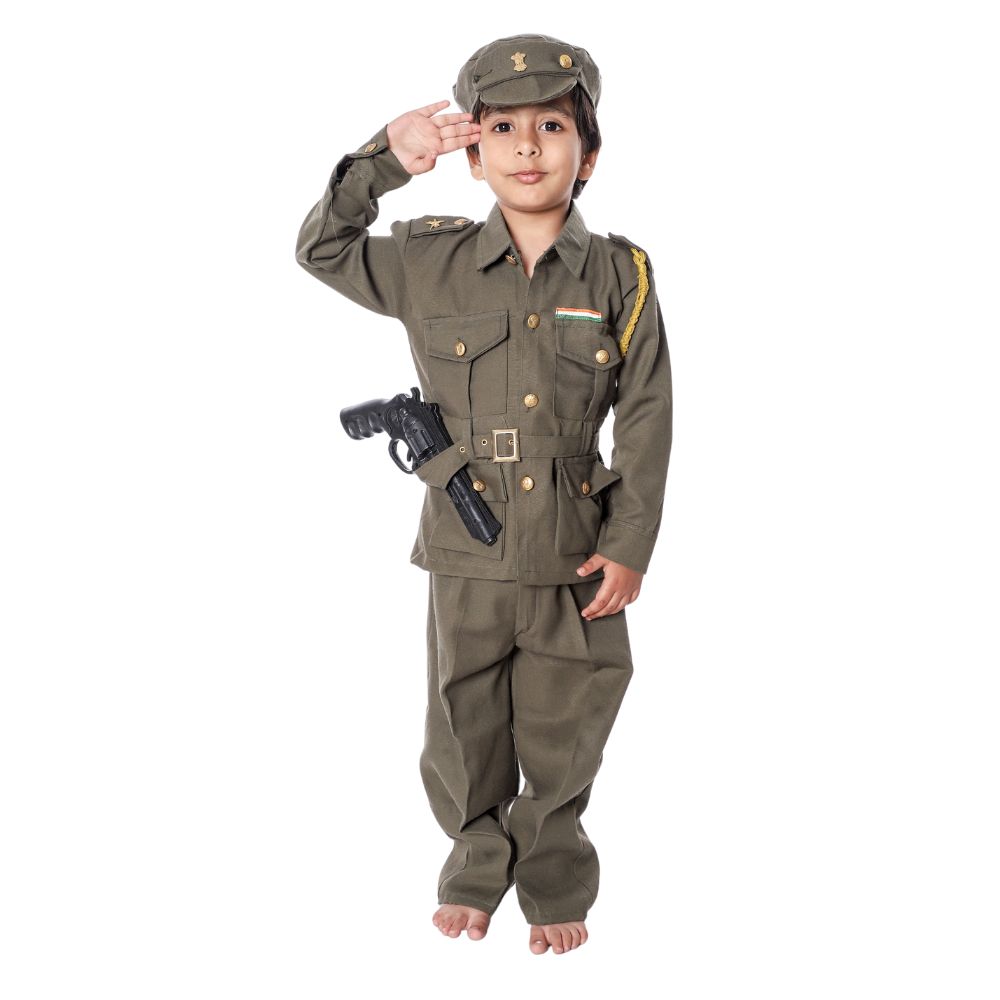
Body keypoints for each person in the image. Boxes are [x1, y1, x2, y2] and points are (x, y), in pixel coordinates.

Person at [295, 33, 673, 955]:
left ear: (590, 154)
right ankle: (473, 867)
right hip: (468, 538)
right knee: (462, 718)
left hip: (577, 543)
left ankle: (552, 876)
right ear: (473, 157)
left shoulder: (621, 273)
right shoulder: (429, 262)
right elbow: (320, 248)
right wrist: (388, 159)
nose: (528, 145)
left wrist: (629, 543)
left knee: (572, 715)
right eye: (501, 127)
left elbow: (648, 411)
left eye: (553, 126)